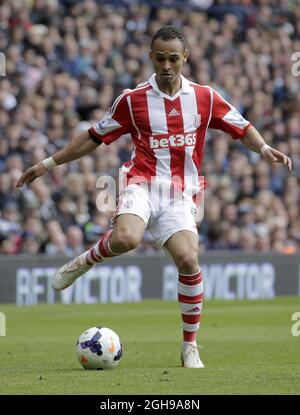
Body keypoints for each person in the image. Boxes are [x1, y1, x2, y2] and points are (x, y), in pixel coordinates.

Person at [16, 25, 292, 368]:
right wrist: (47, 164)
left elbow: (242, 126)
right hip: (141, 183)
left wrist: (264, 148)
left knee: (189, 261)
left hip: (181, 193)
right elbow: (92, 137)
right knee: (128, 239)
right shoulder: (133, 101)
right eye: (160, 58)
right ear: (151, 57)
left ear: (185, 58)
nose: (166, 66)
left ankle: (189, 346)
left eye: (173, 59)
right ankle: (84, 261)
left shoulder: (205, 97)